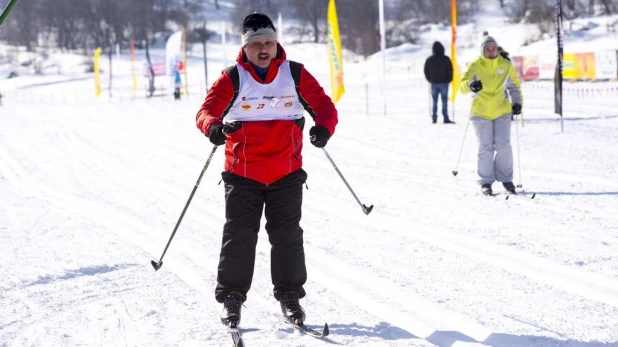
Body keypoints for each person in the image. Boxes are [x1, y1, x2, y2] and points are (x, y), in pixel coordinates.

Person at [195, 13, 338, 328]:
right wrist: (214, 127)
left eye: (269, 43)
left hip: (286, 172)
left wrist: (323, 129)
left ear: (276, 44)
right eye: (257, 44)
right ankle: (232, 298)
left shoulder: (295, 74)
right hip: (242, 173)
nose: (263, 49)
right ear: (245, 47)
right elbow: (206, 111)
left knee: (287, 236)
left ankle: (290, 297)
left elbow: (325, 107)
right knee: (240, 237)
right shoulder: (232, 78)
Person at [459, 33, 523, 196]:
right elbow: (461, 86)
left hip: (501, 110)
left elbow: (514, 86)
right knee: (485, 147)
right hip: (480, 112)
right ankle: (486, 182)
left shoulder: (506, 64)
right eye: (487, 49)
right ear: (482, 50)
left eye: (493, 48)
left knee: (503, 146)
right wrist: (470, 85)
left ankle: (506, 179)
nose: (491, 51)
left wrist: (517, 102)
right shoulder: (475, 65)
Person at [424, 41, 454, 124]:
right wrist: (449, 79)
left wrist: (430, 79)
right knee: (444, 101)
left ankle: (434, 117)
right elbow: (450, 70)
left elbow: (426, 71)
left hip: (434, 83)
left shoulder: (429, 59)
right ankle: (445, 117)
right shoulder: (446, 59)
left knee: (434, 101)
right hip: (444, 83)